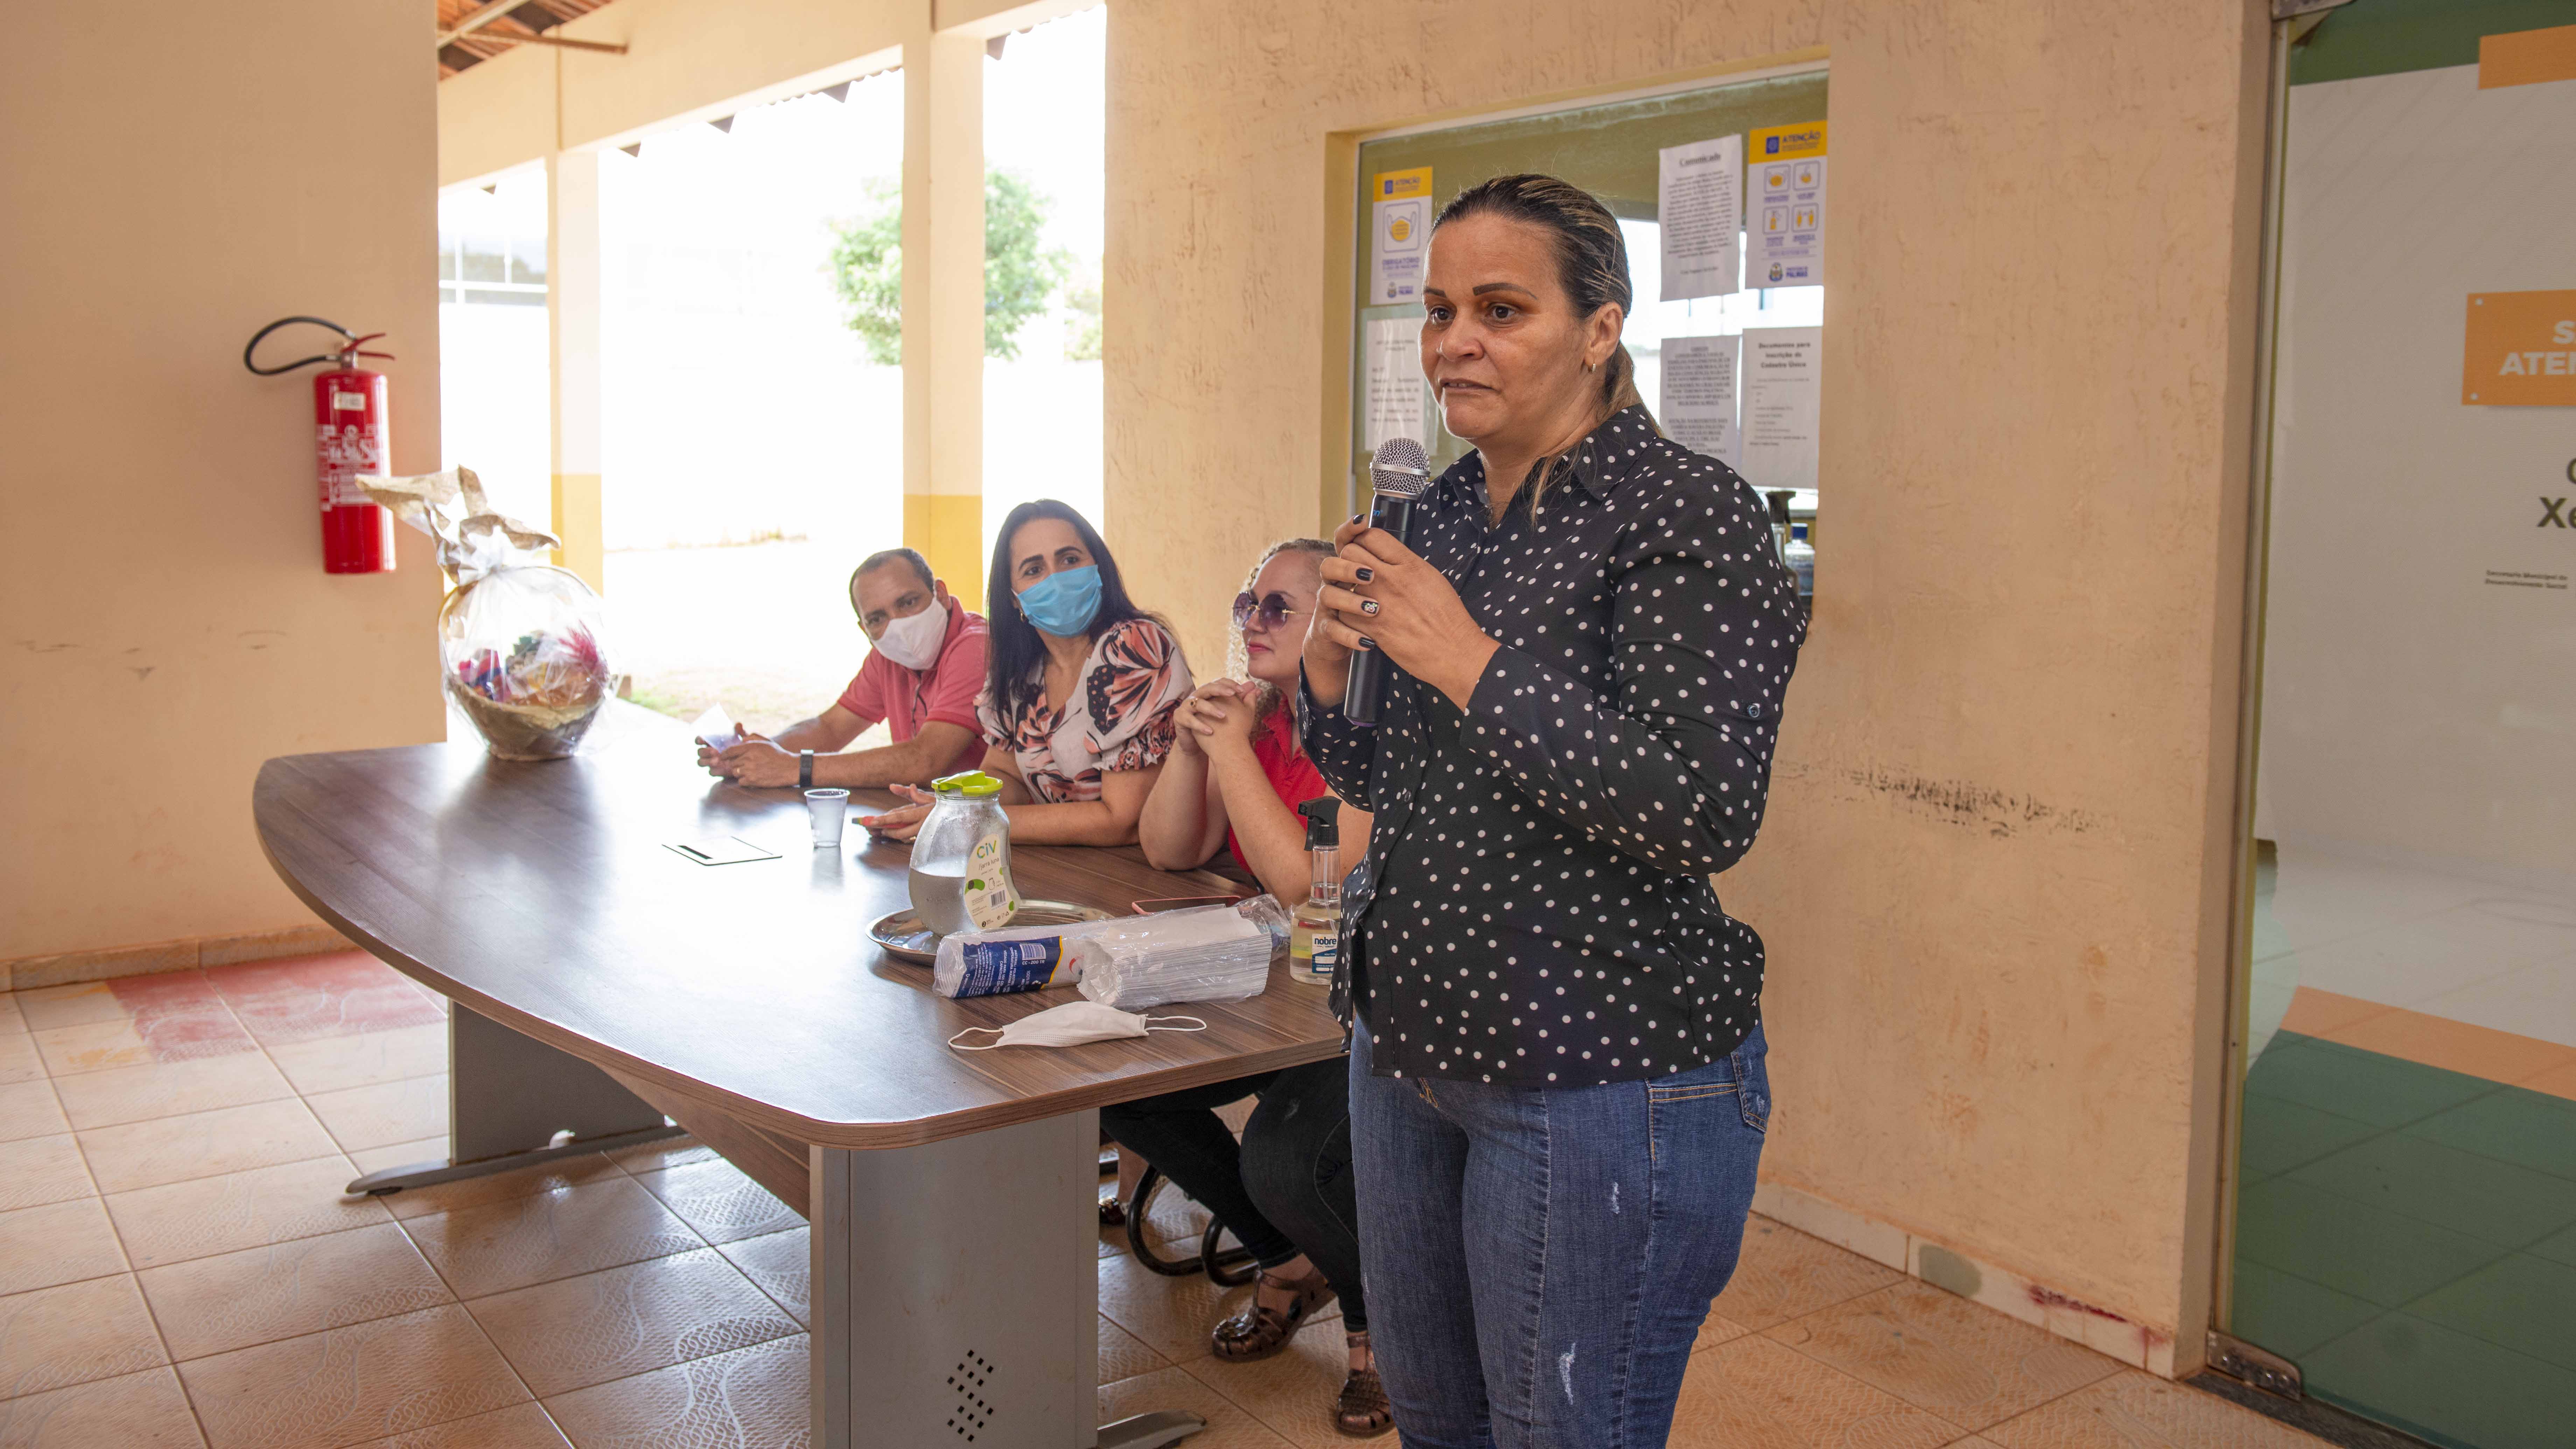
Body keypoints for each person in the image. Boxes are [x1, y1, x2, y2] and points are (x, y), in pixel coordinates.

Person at [1298, 174, 1806, 1447]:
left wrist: (1468, 660)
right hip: (1406, 1047)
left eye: (1501, 307)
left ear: (1599, 327)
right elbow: (1381, 783)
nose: (1453, 339)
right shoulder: (1437, 516)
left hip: (1594, 1071)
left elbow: (1702, 810)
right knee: (1440, 1424)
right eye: (1439, 309)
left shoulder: (1689, 514)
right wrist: (1320, 670)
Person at [1113, 539, 1388, 1436]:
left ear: (1336, 623)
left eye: (1278, 606)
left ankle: (1379, 1331)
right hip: (1263, 996)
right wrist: (1199, 744)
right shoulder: (1257, 718)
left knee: (1282, 1161)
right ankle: (1285, 1258)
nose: (1251, 623)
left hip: (1361, 1011)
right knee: (1121, 1090)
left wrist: (1230, 748)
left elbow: (1315, 888)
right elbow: (1169, 850)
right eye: (1246, 604)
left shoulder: (1370, 727)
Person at [863, 500, 1189, 845]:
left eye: (1070, 560)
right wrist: (952, 805)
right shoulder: (1022, 669)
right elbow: (1006, 776)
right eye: (1034, 570)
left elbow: (1121, 820)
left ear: (1098, 567)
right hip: (1070, 869)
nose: (1057, 578)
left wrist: (969, 822)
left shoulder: (1133, 647)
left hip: (1150, 878)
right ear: (1015, 598)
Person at [696, 547, 988, 790]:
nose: (897, 624)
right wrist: (752, 756)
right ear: (865, 629)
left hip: (997, 836)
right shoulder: (887, 656)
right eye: (877, 618)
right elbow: (831, 728)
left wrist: (794, 767)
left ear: (940, 594)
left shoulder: (977, 646)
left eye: (908, 602)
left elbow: (924, 760)